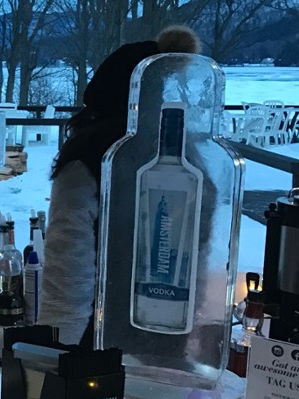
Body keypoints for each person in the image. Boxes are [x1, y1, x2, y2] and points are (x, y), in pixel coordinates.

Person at [39, 26, 200, 346]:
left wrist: (51, 355)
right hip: (173, 339)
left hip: (99, 346)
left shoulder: (86, 162)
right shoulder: (191, 162)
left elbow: (69, 281)